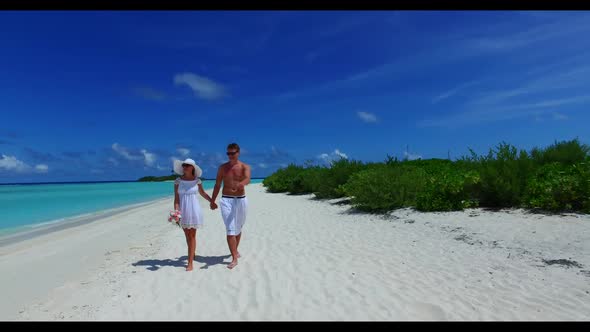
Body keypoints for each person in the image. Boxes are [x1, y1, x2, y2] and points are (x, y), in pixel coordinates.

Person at [210, 143, 251, 269]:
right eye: (228, 153)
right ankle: (234, 258)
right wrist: (212, 200)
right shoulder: (222, 168)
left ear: (238, 153)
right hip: (226, 200)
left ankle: (235, 250)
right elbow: (217, 185)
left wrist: (241, 184)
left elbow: (247, 178)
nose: (230, 156)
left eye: (232, 153)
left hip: (241, 200)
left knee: (238, 227)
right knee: (230, 229)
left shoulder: (245, 166)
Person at [173, 158, 214, 271]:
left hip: (194, 210)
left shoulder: (197, 181)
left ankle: (190, 262)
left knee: (192, 236)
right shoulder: (177, 181)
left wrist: (212, 201)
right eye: (184, 165)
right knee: (187, 235)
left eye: (187, 165)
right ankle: (192, 253)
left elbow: (203, 193)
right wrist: (176, 212)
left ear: (192, 168)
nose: (185, 167)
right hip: (183, 211)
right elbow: (176, 199)